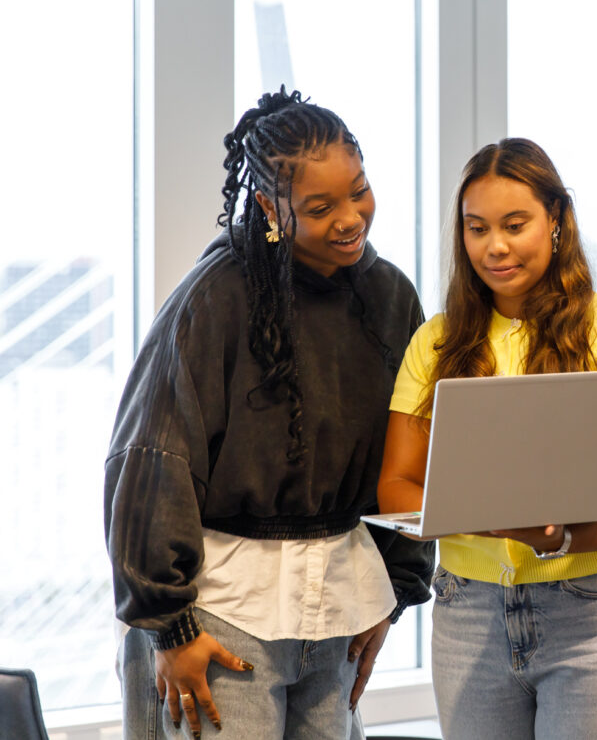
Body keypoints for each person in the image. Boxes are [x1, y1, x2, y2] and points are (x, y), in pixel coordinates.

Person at [104, 88, 434, 740]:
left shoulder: (390, 296)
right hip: (222, 620)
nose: (351, 217)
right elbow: (149, 461)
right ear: (267, 206)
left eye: (359, 190)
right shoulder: (213, 297)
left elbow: (417, 455)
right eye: (320, 206)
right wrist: (169, 627)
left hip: (340, 611)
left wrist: (393, 589)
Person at [378, 137, 597, 740]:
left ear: (556, 221)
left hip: (596, 612)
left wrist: (558, 537)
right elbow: (396, 486)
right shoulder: (435, 343)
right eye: (476, 228)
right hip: (470, 612)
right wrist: (480, 519)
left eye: (515, 225)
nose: (495, 246)